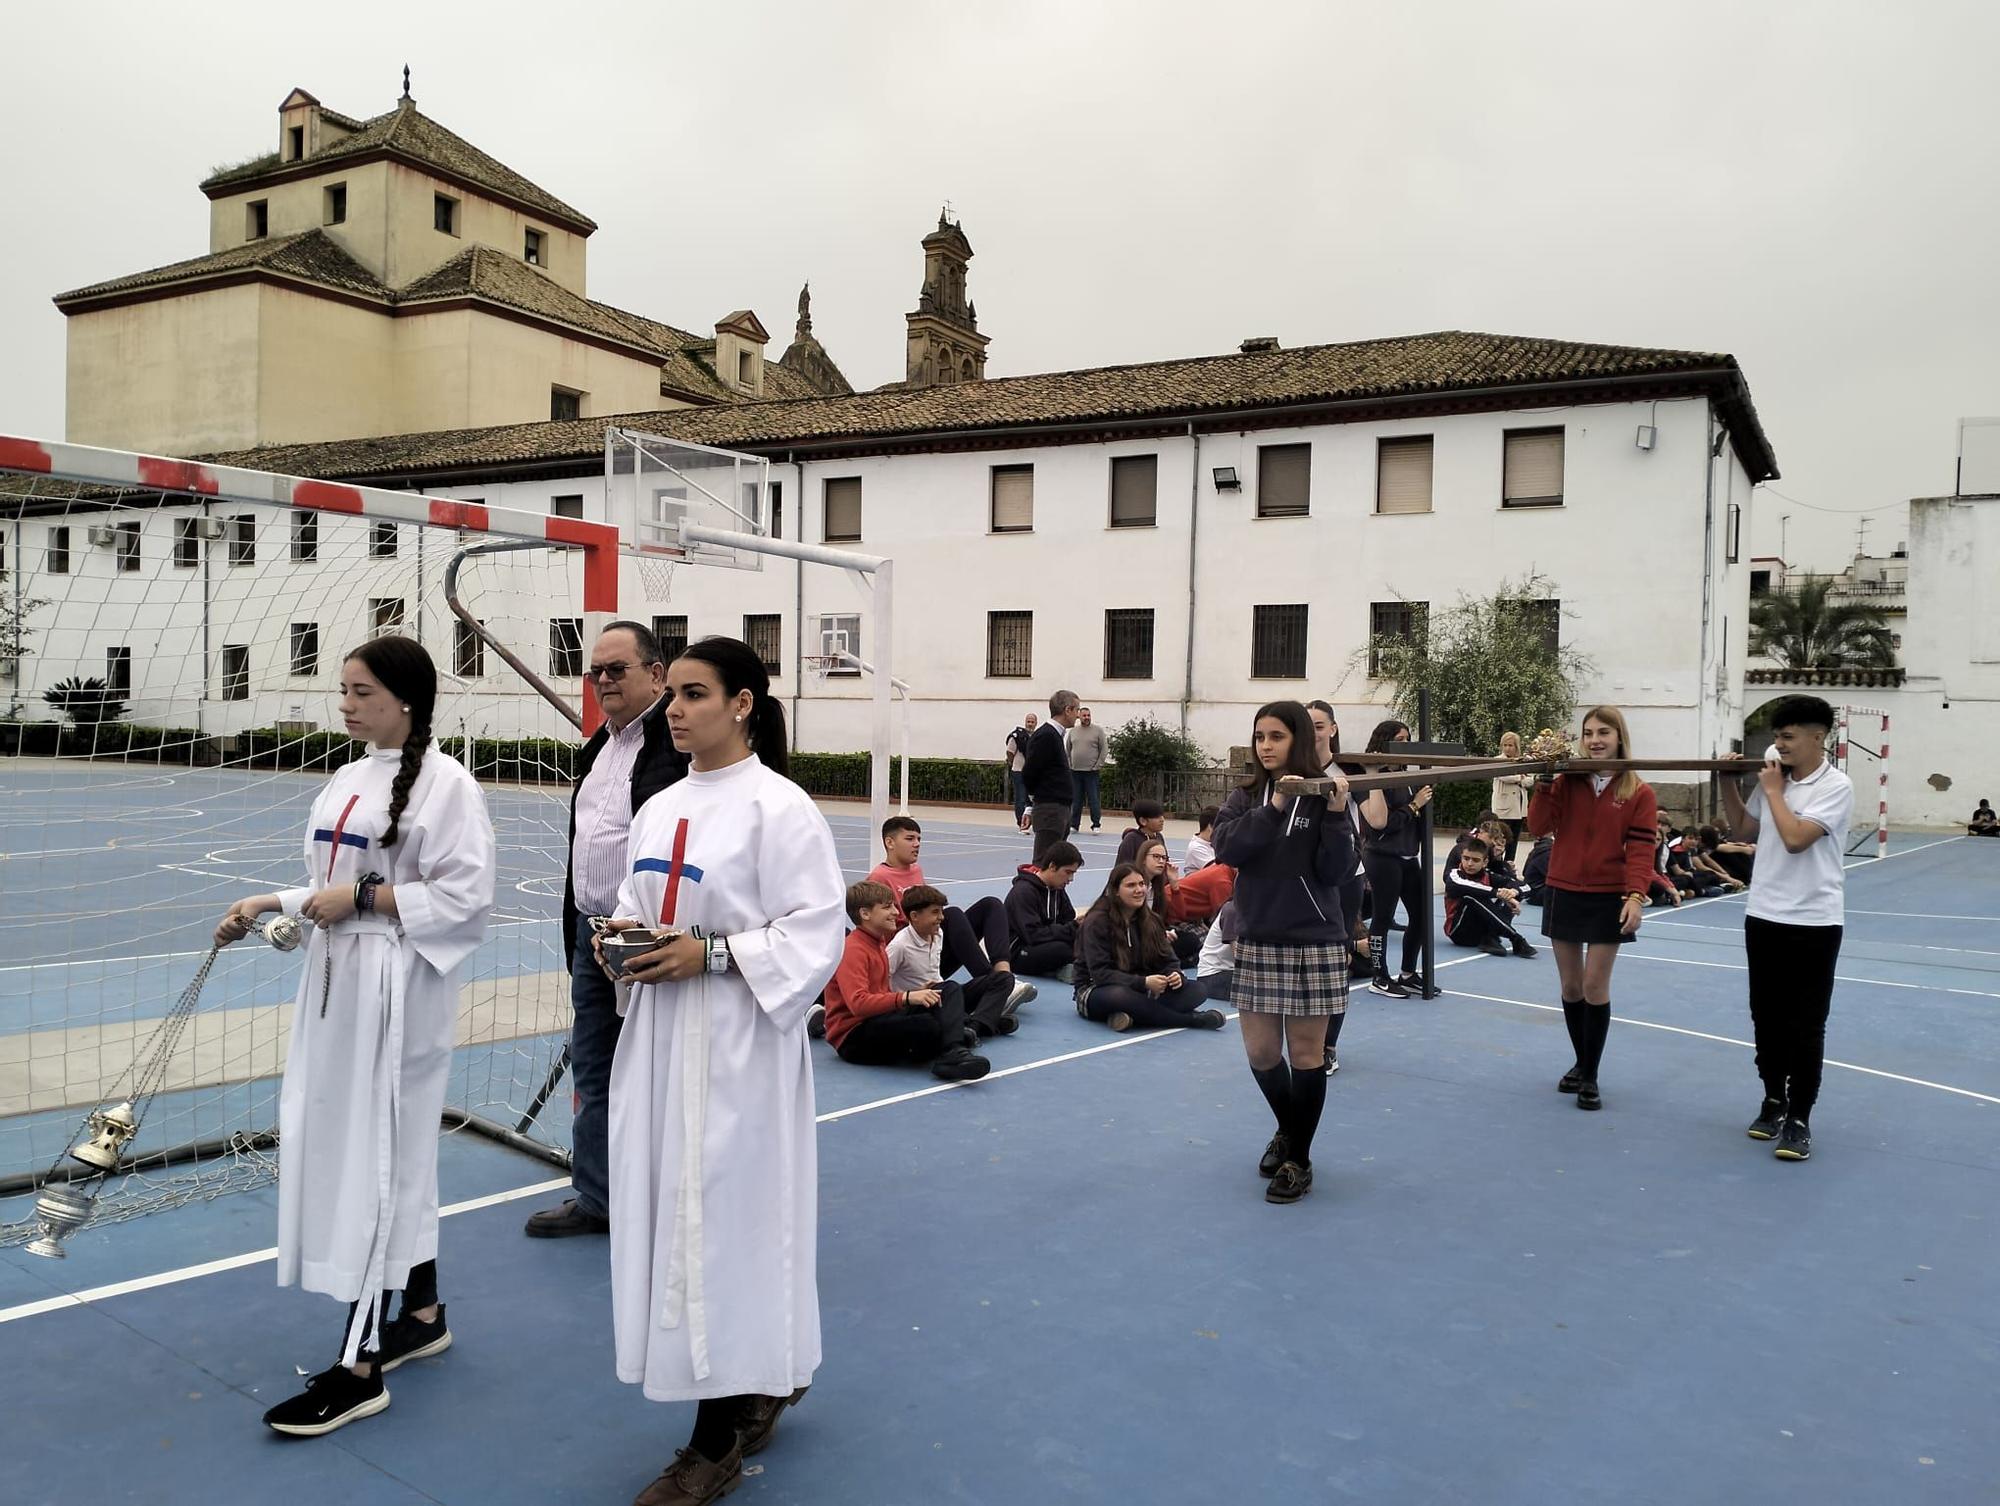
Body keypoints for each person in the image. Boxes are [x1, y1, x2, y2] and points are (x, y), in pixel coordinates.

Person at [214, 635, 495, 1437]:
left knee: (378, 1160)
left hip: (396, 995)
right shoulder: (348, 776)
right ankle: (423, 1313)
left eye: (361, 691)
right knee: (363, 1148)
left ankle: (360, 1367)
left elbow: (468, 897)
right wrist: (266, 902)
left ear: (405, 698)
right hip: (336, 989)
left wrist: (367, 903)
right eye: (343, 689)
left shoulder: (448, 785)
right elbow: (328, 885)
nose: (345, 704)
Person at [596, 636, 846, 1505]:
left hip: (738, 1049)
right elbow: (638, 902)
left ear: (743, 704)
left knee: (724, 1227)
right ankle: (762, 1380)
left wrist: (709, 954)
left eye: (695, 693)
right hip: (661, 1041)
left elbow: (814, 932)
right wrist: (620, 940)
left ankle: (714, 1441)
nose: (675, 709)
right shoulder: (661, 806)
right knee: (675, 1217)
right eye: (673, 693)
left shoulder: (781, 809)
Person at [527, 621, 688, 1240]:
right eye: (595, 671)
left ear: (656, 674)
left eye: (616, 669)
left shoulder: (678, 747)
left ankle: (667, 1195)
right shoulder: (598, 747)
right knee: (595, 1067)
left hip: (651, 937)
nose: (602, 681)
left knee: (657, 1070)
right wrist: (577, 926)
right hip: (591, 934)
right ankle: (599, 1196)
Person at [1212, 699, 1355, 1204]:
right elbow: (1227, 848)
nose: (1266, 746)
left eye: (1277, 736)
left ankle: (1298, 1159)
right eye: (1260, 737)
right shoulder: (1247, 795)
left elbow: (1337, 872)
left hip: (1314, 940)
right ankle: (1291, 1131)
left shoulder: (1327, 794)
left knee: (1307, 1054)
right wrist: (1273, 806)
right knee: (1262, 1053)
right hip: (1259, 936)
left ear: (1298, 739)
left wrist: (1335, 816)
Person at [1718, 697, 1856, 1163]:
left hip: (1815, 920)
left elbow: (1796, 839)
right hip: (1764, 914)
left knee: (1806, 1024)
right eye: (1777, 736)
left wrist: (1775, 791)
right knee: (1766, 1017)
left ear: (1819, 737)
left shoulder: (1836, 786)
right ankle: (1773, 1098)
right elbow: (1744, 830)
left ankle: (1799, 1117)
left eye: (1789, 736)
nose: (1780, 744)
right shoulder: (1776, 780)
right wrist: (1727, 782)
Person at [1527, 705, 1659, 1113]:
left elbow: (1642, 849)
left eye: (1604, 732)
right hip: (1563, 890)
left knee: (1595, 986)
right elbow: (1537, 827)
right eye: (1588, 733)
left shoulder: (1638, 792)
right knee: (1571, 987)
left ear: (1619, 737)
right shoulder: (1566, 781)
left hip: (1608, 896)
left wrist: (1635, 895)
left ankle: (1590, 1074)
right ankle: (1582, 1063)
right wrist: (1543, 784)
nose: (1595, 740)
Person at [823, 880, 993, 1078]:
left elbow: (880, 993)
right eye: (887, 907)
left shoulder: (877, 943)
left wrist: (917, 993)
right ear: (865, 914)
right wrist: (907, 997)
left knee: (947, 989)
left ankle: (953, 1049)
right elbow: (858, 1004)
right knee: (929, 1025)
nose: (896, 912)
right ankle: (953, 1043)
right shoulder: (853, 949)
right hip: (853, 1036)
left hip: (877, 1018)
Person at [866, 815, 1032, 1011]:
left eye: (919, 839)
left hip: (930, 953)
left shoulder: (915, 870)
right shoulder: (879, 877)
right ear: (890, 842)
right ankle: (992, 984)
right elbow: (877, 930)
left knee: (991, 905)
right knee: (952, 915)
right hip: (907, 961)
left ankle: (1003, 976)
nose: (917, 844)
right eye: (909, 839)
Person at [1071, 863, 1226, 1033]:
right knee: (1120, 996)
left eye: (1142, 884)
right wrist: (1143, 982)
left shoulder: (1151, 920)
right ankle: (1191, 1020)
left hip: (1142, 989)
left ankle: (1134, 1015)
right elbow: (1100, 974)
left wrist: (1175, 974)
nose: (1139, 890)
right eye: (1131, 885)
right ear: (1115, 891)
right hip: (1099, 988)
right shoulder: (1097, 922)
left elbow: (1168, 959)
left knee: (1197, 990)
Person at [1357, 720, 1432, 999]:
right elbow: (1382, 824)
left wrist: (1418, 806)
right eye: (1400, 739)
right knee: (1383, 916)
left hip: (1409, 856)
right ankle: (1380, 976)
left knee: (1421, 915)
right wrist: (1414, 806)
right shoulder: (1373, 778)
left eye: (1408, 739)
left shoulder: (1406, 776)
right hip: (1383, 857)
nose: (1405, 745)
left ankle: (1408, 972)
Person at [891, 884, 1021, 1038]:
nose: (941, 917)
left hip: (943, 994)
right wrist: (909, 995)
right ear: (914, 916)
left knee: (1004, 979)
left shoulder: (938, 933)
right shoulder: (899, 946)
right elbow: (879, 986)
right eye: (935, 912)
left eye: (941, 911)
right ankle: (981, 1023)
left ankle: (975, 1024)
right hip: (920, 1003)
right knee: (943, 1001)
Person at [1132, 836, 1227, 966]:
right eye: (1156, 857)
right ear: (1143, 859)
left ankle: (1173, 961)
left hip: (1156, 933)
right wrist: (1158, 934)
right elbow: (1131, 920)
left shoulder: (1158, 887)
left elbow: (1180, 914)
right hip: (1136, 936)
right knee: (1192, 944)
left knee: (1192, 940)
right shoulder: (1133, 884)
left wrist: (1175, 886)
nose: (1161, 861)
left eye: (1164, 858)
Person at [1442, 837, 1537, 958]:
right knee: (1472, 896)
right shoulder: (1454, 876)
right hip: (1460, 932)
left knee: (1511, 893)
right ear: (1461, 858)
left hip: (1481, 931)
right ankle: (1516, 938)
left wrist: (1513, 893)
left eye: (1475, 860)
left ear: (1485, 862)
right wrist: (1499, 893)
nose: (1469, 863)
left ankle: (1490, 938)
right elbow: (1472, 887)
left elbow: (1525, 886)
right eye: (1466, 858)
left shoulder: (1489, 875)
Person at [1003, 841, 1083, 977]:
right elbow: (1033, 935)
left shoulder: (1057, 889)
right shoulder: (1023, 892)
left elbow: (1067, 920)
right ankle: (1071, 967)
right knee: (1062, 950)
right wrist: (1072, 928)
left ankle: (1071, 966)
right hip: (1019, 952)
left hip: (1046, 943)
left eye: (1073, 873)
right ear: (1052, 866)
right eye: (1068, 872)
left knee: (1091, 941)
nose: (1071, 879)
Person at [1023, 690, 1081, 863]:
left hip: (1058, 809)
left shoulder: (1055, 735)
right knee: (1044, 862)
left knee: (1057, 863)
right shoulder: (1046, 735)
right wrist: (1031, 805)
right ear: (1067, 710)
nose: (1078, 715)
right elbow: (1030, 772)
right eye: (1077, 710)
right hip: (1050, 810)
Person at [1490, 731, 1536, 862]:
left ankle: (1509, 865)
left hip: (1518, 808)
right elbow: (1504, 776)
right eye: (1505, 745)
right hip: (1503, 808)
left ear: (1516, 746)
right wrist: (1520, 777)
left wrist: (1521, 779)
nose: (1507, 748)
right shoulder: (1498, 760)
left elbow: (1530, 780)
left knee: (1513, 841)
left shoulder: (1522, 760)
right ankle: (1496, 865)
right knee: (1499, 840)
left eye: (1510, 745)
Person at [1065, 705, 1108, 833]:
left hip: (1091, 772)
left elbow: (1104, 749)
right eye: (1084, 715)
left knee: (1094, 799)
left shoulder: (1098, 731)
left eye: (1088, 715)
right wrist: (1069, 764)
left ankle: (1096, 825)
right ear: (1079, 716)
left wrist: (1098, 765)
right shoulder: (1073, 731)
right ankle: (1074, 825)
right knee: (1076, 800)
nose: (1087, 717)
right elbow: (1068, 749)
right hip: (1075, 771)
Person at [1004, 713, 1038, 831]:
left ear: (1036, 723)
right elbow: (1010, 752)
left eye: (1032, 722)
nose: (1030, 724)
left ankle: (1030, 821)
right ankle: (1021, 823)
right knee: (1020, 798)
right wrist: (1012, 763)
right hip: (1019, 771)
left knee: (1033, 799)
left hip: (1032, 773)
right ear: (1025, 722)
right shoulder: (1017, 736)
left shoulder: (1038, 737)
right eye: (1028, 721)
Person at [1115, 798, 1168, 866]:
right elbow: (1121, 867)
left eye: (1162, 816)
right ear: (1143, 821)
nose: (1162, 819)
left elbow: (1165, 860)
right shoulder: (1131, 839)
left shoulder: (1159, 837)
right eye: (1156, 817)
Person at [1184, 806, 1220, 871]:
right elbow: (1217, 871)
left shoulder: (1214, 843)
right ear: (1210, 826)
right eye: (1221, 826)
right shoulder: (1196, 848)